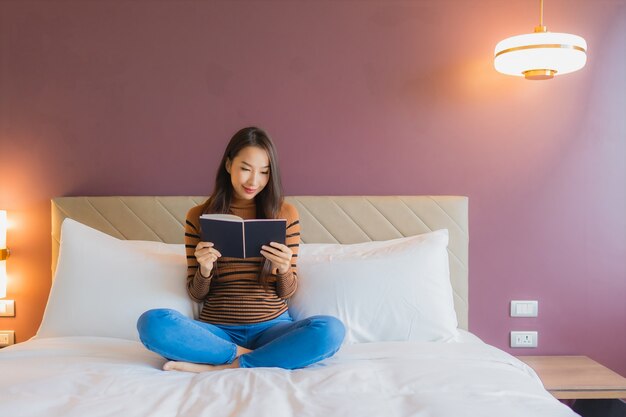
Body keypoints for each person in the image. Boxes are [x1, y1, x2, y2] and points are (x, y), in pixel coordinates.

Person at [137, 127, 345, 372]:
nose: (253, 181)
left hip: (272, 329)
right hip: (217, 332)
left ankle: (221, 367)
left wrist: (284, 268)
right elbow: (196, 295)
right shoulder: (198, 216)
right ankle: (257, 358)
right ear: (228, 165)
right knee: (152, 322)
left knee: (331, 330)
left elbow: (287, 291)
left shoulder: (285, 214)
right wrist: (204, 270)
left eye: (264, 172)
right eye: (245, 168)